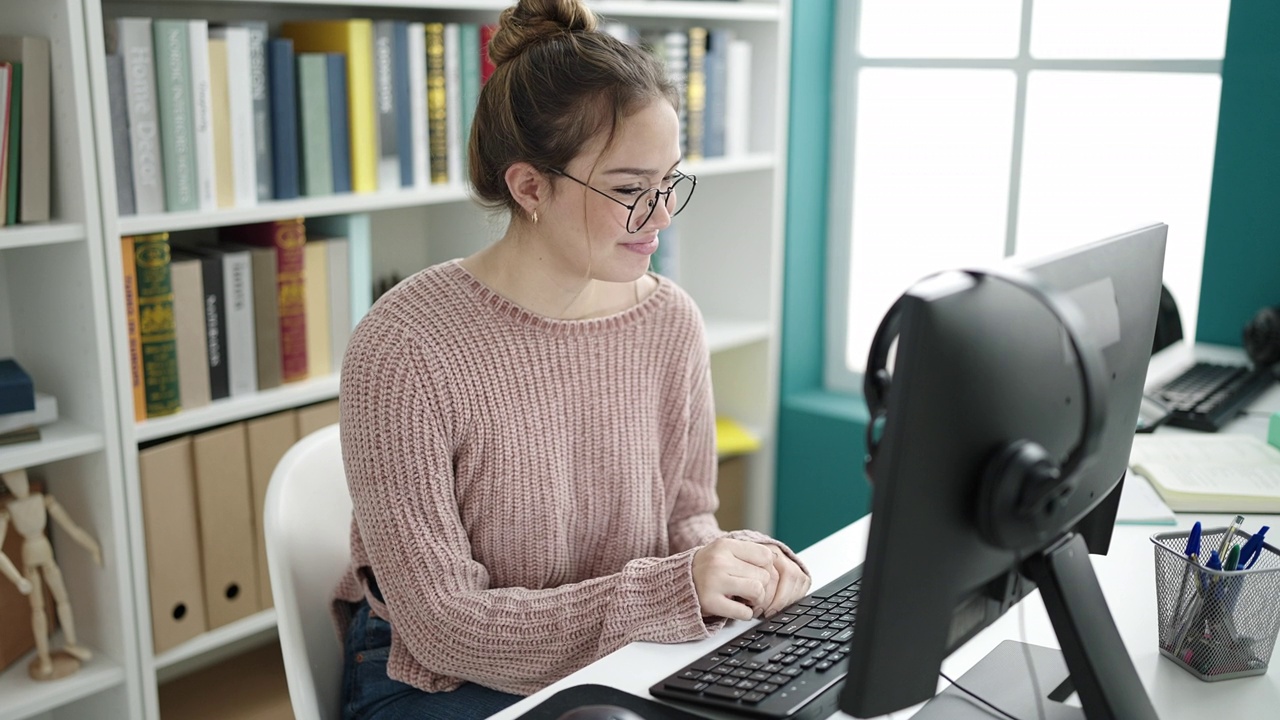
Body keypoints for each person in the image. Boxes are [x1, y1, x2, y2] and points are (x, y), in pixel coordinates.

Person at [335, 1, 811, 717]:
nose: (661, 217)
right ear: (529, 187)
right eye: (628, 190)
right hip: (440, 677)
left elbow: (686, 519)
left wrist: (735, 572)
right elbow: (443, 628)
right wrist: (671, 591)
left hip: (617, 651)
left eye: (668, 182)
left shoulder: (667, 319)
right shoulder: (405, 346)